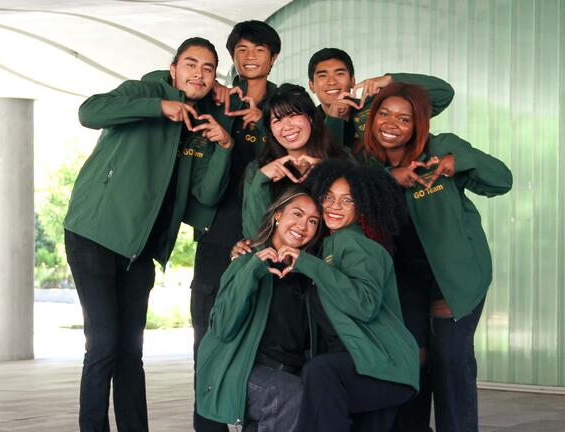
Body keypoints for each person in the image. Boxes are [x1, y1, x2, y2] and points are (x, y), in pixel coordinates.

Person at [63, 37, 234, 432]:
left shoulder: (203, 123)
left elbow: (206, 194)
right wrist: (159, 106)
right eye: (191, 64)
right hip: (95, 234)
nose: (199, 74)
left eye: (208, 69)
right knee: (104, 344)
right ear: (173, 68)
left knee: (130, 352)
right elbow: (89, 112)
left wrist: (224, 145)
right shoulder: (143, 91)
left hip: (142, 250)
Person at [141, 21, 281, 432]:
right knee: (209, 341)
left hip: (268, 235)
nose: (250, 57)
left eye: (259, 50)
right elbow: (162, 83)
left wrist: (261, 122)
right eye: (241, 49)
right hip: (217, 233)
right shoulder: (213, 101)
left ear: (273, 58)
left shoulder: (287, 104)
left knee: (268, 340)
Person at [357, 83, 513, 432]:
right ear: (371, 119)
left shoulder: (441, 147)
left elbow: (502, 180)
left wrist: (460, 163)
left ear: (418, 125)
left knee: (450, 357)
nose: (391, 123)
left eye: (404, 117)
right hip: (404, 278)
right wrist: (390, 179)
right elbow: (350, 194)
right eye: (383, 113)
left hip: (454, 272)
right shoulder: (364, 162)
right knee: (412, 358)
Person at [291, 159, 418, 431]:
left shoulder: (357, 244)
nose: (335, 206)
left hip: (382, 367)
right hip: (361, 365)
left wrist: (308, 264)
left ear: (363, 206)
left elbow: (365, 305)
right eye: (329, 197)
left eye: (347, 201)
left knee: (320, 371)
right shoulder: (329, 245)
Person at [196, 187, 322, 431]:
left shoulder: (308, 272)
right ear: (277, 215)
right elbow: (222, 327)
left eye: (312, 221)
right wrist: (253, 270)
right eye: (296, 214)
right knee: (289, 393)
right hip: (244, 371)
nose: (303, 225)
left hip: (290, 371)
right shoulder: (246, 261)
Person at [242, 83, 345, 239]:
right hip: (278, 261)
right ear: (270, 130)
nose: (287, 126)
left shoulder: (338, 159)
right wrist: (261, 181)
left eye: (293, 115)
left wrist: (329, 172)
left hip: (330, 260)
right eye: (277, 120)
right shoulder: (258, 169)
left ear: (310, 118)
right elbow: (254, 236)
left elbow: (361, 217)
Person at [306, 47, 454, 150]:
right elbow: (329, 163)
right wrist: (333, 120)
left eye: (339, 74)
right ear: (311, 86)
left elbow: (443, 93)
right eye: (323, 75)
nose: (332, 82)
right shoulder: (306, 126)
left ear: (352, 80)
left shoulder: (380, 105)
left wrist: (390, 80)